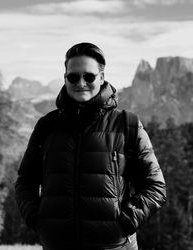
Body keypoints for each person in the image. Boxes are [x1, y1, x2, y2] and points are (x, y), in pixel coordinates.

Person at [15, 42, 166, 250]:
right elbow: (25, 181)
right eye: (73, 76)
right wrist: (38, 220)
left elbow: (155, 186)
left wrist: (125, 223)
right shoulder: (47, 126)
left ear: (102, 78)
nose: (81, 83)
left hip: (114, 245)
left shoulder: (127, 124)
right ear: (65, 78)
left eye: (89, 76)